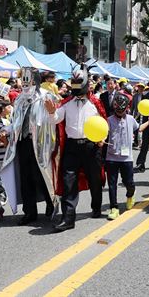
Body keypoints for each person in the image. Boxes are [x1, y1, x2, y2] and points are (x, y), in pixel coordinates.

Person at [47, 63, 106, 232]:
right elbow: (56, 120)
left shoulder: (96, 103)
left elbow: (103, 123)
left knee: (94, 179)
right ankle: (68, 218)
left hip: (91, 146)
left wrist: (101, 139)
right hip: (72, 148)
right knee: (68, 182)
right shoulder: (66, 103)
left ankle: (96, 206)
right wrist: (51, 112)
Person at [1, 67, 57, 226]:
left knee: (42, 176)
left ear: (36, 81)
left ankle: (51, 204)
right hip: (23, 143)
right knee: (25, 178)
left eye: (28, 80)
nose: (24, 84)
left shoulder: (46, 97)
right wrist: (7, 130)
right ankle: (30, 212)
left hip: (41, 144)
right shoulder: (19, 100)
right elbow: (16, 122)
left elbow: (54, 120)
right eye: (23, 81)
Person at [105, 93, 149, 220]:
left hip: (127, 158)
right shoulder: (108, 120)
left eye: (122, 109)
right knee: (112, 184)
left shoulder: (131, 119)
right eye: (117, 109)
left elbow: (139, 129)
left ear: (126, 108)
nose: (120, 112)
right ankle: (114, 208)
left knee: (129, 182)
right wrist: (100, 141)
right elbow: (103, 135)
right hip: (111, 157)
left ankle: (130, 194)